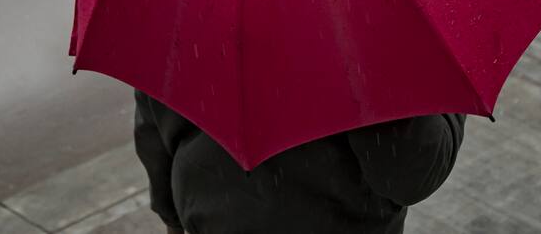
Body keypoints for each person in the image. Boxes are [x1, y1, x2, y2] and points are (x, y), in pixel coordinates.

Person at [133, 88, 466, 234]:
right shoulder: (366, 9)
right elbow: (410, 174)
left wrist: (171, 215)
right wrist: (451, 89)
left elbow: (153, 118)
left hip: (213, 216)